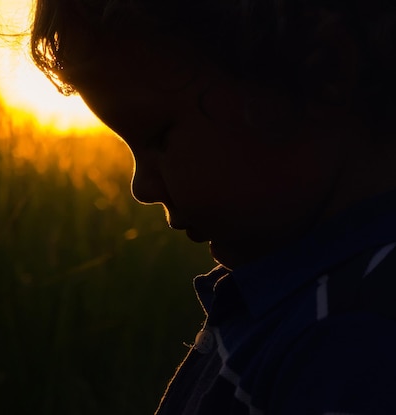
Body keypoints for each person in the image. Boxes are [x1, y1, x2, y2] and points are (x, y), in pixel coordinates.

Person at [29, 0, 396, 413]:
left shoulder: (360, 333)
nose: (141, 187)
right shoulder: (296, 295)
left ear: (328, 69)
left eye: (157, 136)